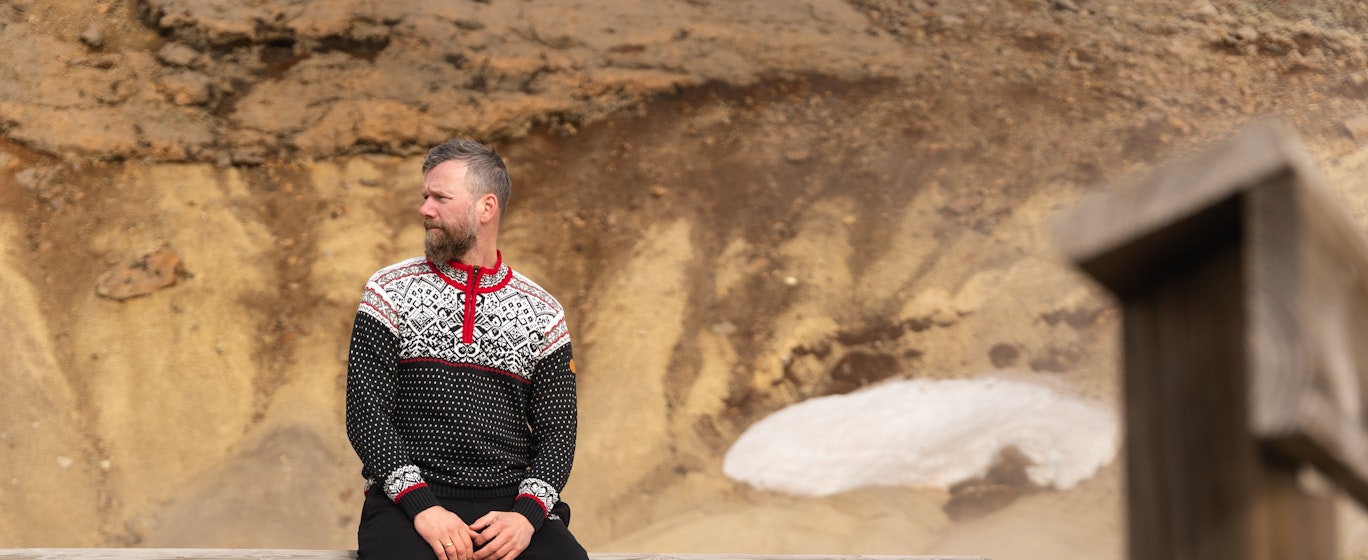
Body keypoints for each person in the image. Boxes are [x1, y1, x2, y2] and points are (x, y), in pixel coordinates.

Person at [345, 137, 588, 560]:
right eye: (425, 197)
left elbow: (558, 434)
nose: (425, 209)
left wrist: (526, 517)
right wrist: (423, 508)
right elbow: (366, 414)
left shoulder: (542, 311)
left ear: (486, 207)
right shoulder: (387, 291)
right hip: (407, 502)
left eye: (440, 197)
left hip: (510, 501)